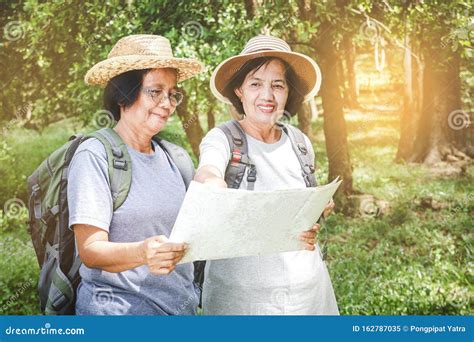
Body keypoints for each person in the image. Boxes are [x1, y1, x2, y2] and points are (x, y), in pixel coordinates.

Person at [194, 35, 339, 315]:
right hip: (240, 301)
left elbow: (302, 205)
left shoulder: (299, 142)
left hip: (308, 296)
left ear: (288, 91)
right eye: (255, 84)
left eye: (277, 85)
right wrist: (213, 187)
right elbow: (208, 172)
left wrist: (320, 206)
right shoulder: (222, 139)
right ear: (239, 90)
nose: (267, 95)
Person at [68, 34, 204, 315]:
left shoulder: (175, 158)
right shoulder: (94, 156)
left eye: (172, 93)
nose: (167, 103)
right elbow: (91, 250)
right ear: (124, 94)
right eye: (155, 91)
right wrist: (142, 252)